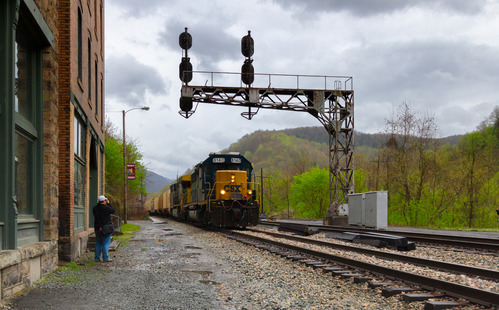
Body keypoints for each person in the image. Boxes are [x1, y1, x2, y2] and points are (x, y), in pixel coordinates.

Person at [93, 195, 115, 262]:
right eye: (105, 200)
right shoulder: (106, 208)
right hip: (106, 227)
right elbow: (113, 210)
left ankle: (97, 258)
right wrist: (109, 203)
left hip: (97, 227)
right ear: (104, 201)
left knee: (98, 243)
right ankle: (105, 258)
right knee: (105, 243)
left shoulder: (94, 208)